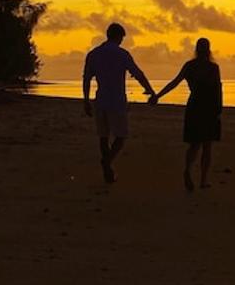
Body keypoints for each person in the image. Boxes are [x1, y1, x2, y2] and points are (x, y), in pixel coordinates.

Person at [83, 23, 155, 183]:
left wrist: (86, 100)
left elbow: (87, 78)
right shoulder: (122, 54)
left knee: (103, 136)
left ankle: (107, 167)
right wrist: (150, 89)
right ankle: (107, 162)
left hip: (100, 99)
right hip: (116, 101)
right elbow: (137, 73)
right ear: (118, 37)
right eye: (122, 38)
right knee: (121, 136)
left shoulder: (94, 54)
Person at [154, 38, 222, 191]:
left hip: (194, 106)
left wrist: (158, 96)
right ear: (209, 50)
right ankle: (203, 180)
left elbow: (174, 82)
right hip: (208, 107)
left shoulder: (190, 66)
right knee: (207, 145)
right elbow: (218, 89)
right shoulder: (213, 68)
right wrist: (219, 109)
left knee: (194, 144)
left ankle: (188, 170)